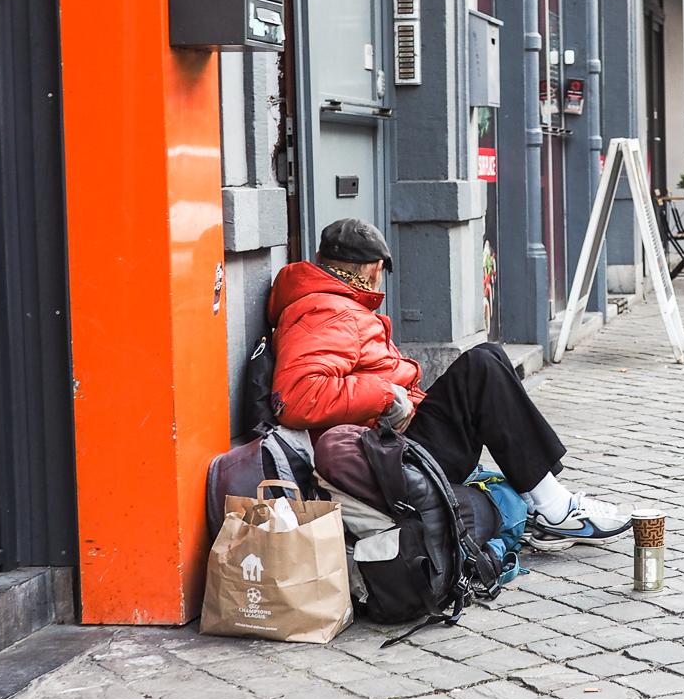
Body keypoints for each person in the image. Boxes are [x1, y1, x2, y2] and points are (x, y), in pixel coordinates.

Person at [267, 218, 631, 550]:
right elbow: (297, 397)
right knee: (482, 366)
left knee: (489, 360)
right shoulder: (327, 310)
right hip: (386, 457)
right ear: (374, 269)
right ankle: (555, 508)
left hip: (389, 443)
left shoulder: (332, 305)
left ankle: (546, 500)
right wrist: (386, 395)